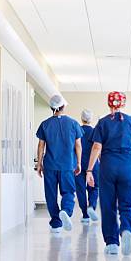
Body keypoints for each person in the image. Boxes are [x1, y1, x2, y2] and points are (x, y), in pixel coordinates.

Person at [86, 92, 131, 255]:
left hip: (108, 166)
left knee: (108, 204)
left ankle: (111, 242)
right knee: (126, 204)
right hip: (128, 165)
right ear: (123, 104)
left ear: (109, 104)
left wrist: (89, 170)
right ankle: (126, 230)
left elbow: (97, 147)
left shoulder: (103, 122)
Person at [36, 94, 83, 233]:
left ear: (52, 107)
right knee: (68, 192)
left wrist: (39, 164)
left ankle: (56, 224)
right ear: (63, 106)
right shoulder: (73, 123)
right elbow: (78, 145)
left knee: (50, 194)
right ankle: (66, 211)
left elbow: (41, 146)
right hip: (68, 165)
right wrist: (79, 162)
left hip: (50, 165)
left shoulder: (45, 124)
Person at [75, 109, 100, 224]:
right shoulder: (96, 131)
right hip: (93, 165)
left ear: (81, 118)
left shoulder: (77, 130)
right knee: (94, 187)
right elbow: (98, 149)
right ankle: (92, 207)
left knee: (80, 189)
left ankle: (85, 215)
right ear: (91, 119)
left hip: (78, 164)